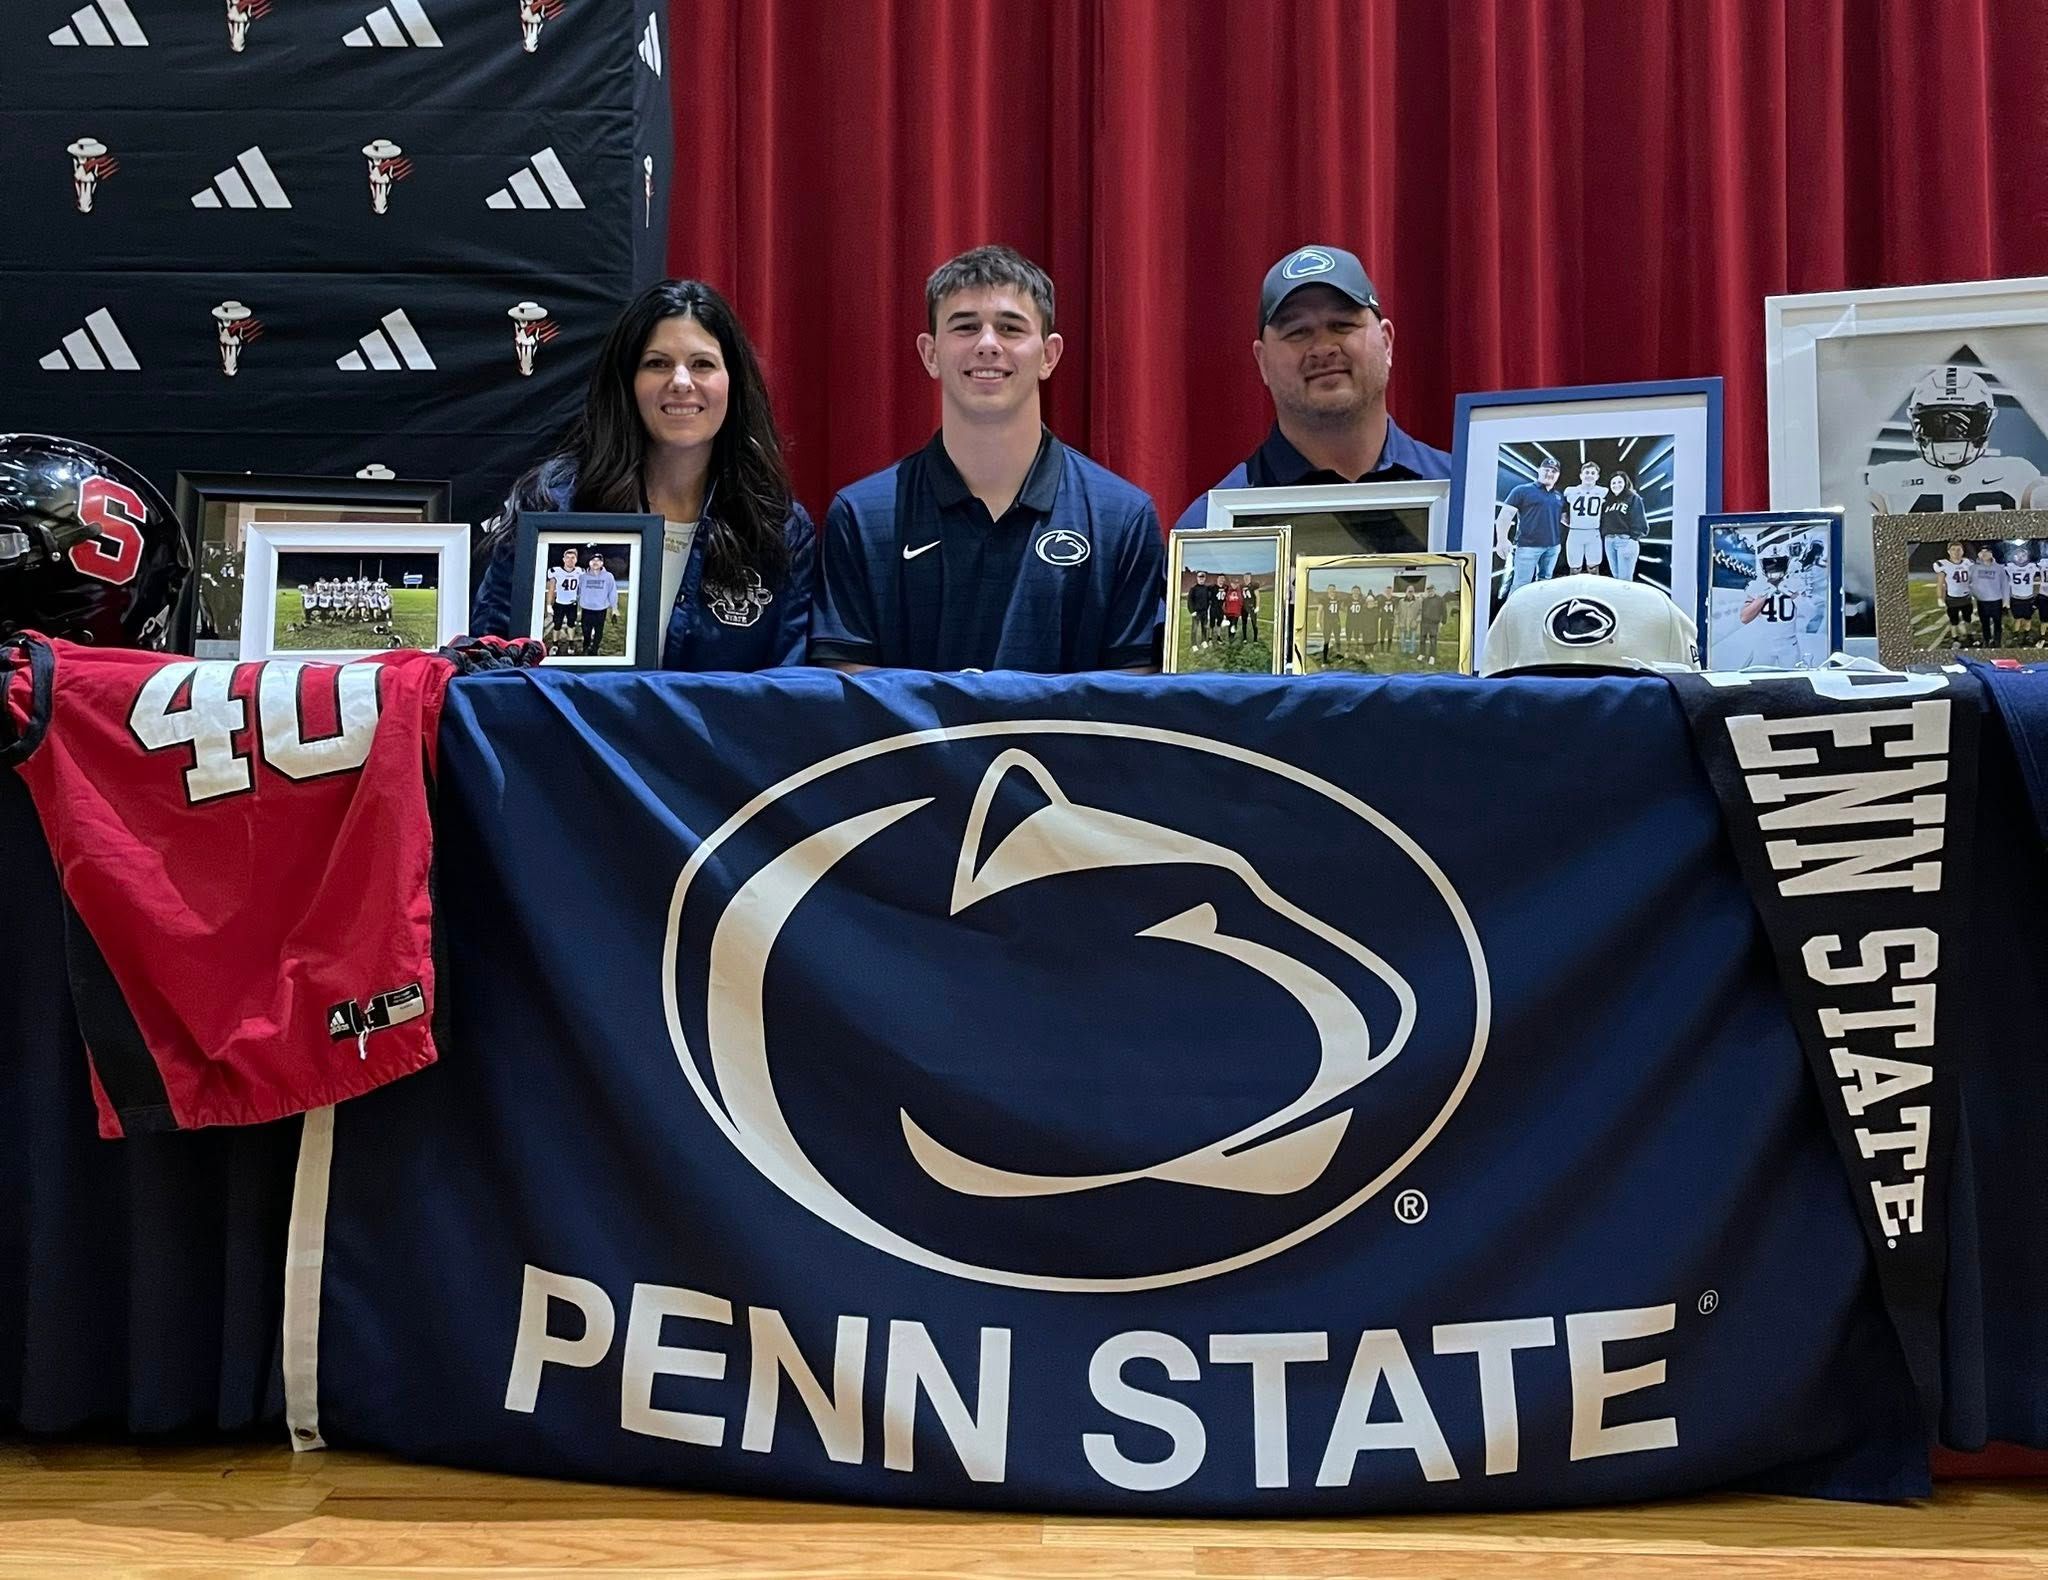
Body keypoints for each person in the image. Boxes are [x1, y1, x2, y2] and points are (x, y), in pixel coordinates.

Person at [811, 245, 1165, 672]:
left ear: (1049, 356)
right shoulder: (861, 518)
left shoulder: (1122, 518)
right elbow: (846, 688)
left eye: (1011, 328)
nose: (987, 345)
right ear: (930, 354)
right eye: (964, 327)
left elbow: (1131, 695)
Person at [472, 278, 814, 670]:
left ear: (733, 383)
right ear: (627, 382)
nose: (681, 382)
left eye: (702, 364)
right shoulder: (554, 501)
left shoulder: (779, 529)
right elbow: (492, 664)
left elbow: (791, 692)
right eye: (657, 364)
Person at [1173, 245, 1450, 535]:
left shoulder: (1467, 496)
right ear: (1262, 362)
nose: (1322, 349)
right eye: (1298, 332)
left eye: (1342, 325)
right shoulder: (1210, 531)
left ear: (1387, 343)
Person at [1497, 457, 1568, 593]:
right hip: (1527, 548)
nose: (1550, 473)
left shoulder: (1559, 496)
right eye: (1546, 470)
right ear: (1539, 471)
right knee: (1521, 586)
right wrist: (1502, 539)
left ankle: (1536, 612)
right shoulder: (1522, 491)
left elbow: (1564, 519)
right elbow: (1505, 515)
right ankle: (1513, 614)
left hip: (1552, 548)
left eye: (1554, 471)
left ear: (1558, 475)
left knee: (1544, 584)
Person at [1600, 470, 1649, 581]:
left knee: (1625, 579)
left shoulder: (1633, 498)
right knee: (1616, 577)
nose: (1616, 485)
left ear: (1625, 483)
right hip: (1609, 541)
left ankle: (1627, 598)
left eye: (1619, 482)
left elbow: (1639, 520)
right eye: (1613, 483)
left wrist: (1633, 540)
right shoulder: (1607, 502)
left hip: (1625, 541)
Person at [1563, 461, 1605, 575]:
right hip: (1575, 532)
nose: (1589, 475)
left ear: (1597, 476)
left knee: (1593, 566)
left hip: (1593, 532)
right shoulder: (1570, 491)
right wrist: (1565, 519)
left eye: (1592, 473)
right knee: (1575, 567)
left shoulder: (1603, 491)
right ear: (1581, 475)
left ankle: (1594, 591)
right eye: (1587, 472)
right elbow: (1561, 508)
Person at [576, 550, 619, 655]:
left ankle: (594, 649)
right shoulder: (582, 577)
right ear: (589, 563)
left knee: (598, 631)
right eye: (593, 560)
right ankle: (586, 646)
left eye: (598, 560)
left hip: (600, 609)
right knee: (586, 631)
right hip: (586, 609)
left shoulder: (608, 576)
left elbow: (612, 592)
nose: (595, 562)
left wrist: (614, 608)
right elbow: (577, 591)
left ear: (602, 563)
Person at [1932, 540, 1974, 645]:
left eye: (1958, 549)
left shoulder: (1968, 563)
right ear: (1948, 551)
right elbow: (1940, 583)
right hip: (1952, 598)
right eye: (1953, 550)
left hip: (1966, 597)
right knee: (1954, 621)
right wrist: (1939, 598)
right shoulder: (1943, 565)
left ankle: (1969, 636)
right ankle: (1955, 638)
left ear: (1963, 551)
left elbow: (1973, 579)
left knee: (1968, 619)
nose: (1956, 552)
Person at [1970, 543, 2010, 647]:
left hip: (1996, 600)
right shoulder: (1973, 568)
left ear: (1991, 554)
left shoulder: (1999, 568)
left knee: (1997, 623)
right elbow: (1967, 583)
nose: (1984, 554)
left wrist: (2006, 601)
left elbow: (2005, 585)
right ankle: (1987, 640)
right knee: (1985, 623)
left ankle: (1997, 641)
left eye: (1987, 552)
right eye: (1981, 552)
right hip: (1982, 601)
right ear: (1978, 554)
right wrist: (1973, 594)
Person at [546, 546, 582, 643]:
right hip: (559, 603)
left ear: (576, 560)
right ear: (563, 559)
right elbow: (551, 589)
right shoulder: (556, 571)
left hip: (572, 604)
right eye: (567, 557)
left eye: (572, 558)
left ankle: (571, 642)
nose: (570, 560)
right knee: (557, 625)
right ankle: (555, 643)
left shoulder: (579, 571)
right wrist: (549, 604)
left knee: (571, 624)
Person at [2009, 543, 2040, 645]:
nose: (2021, 558)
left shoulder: (2032, 566)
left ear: (2027, 556)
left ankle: (2027, 634)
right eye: (2018, 555)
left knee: (2028, 618)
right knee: (2017, 618)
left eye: (2023, 555)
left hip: (2028, 597)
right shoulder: (2010, 566)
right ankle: (2016, 635)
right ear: (2014, 556)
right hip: (2015, 597)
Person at [1417, 585, 1447, 666]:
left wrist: (1442, 622)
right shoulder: (1425, 600)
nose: (1430, 592)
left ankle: (1432, 657)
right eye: (1428, 591)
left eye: (1431, 590)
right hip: (1424, 623)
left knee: (1433, 640)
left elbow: (1444, 611)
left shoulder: (1440, 600)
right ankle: (1422, 654)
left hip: (1434, 623)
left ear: (1434, 590)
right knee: (1422, 639)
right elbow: (1422, 610)